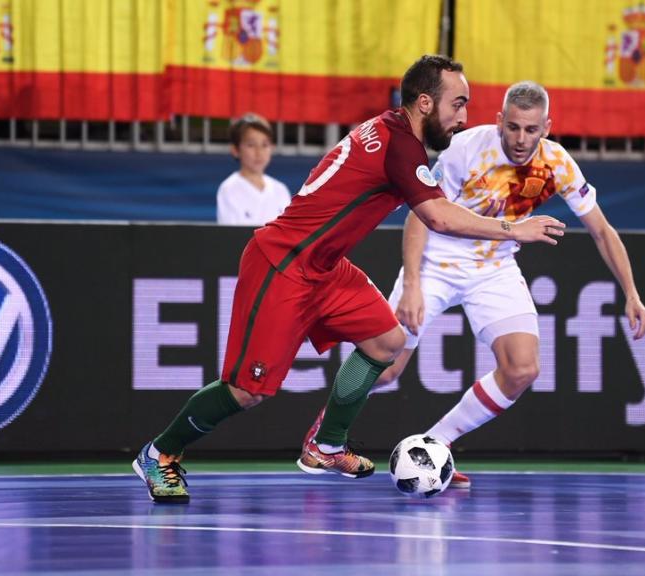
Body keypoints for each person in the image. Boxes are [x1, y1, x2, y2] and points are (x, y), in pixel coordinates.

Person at [133, 55, 567, 503]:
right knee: (247, 390)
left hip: (326, 266)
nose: (463, 115)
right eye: (457, 103)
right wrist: (515, 229)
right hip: (283, 263)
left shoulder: (393, 129)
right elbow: (437, 216)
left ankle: (327, 444)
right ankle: (160, 453)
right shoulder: (402, 147)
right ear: (424, 103)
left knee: (387, 342)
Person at [301, 80, 645, 489]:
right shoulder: (466, 148)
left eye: (532, 130)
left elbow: (602, 231)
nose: (521, 139)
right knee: (388, 367)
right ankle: (324, 435)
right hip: (437, 261)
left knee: (522, 368)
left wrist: (631, 292)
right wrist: (412, 282)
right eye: (514, 127)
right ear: (500, 120)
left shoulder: (557, 164)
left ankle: (438, 444)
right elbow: (420, 214)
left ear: (547, 128)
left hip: (494, 268)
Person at [216, 113, 292, 225]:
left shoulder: (280, 190)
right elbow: (230, 235)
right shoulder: (229, 189)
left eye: (265, 145)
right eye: (251, 145)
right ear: (235, 150)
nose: (259, 152)